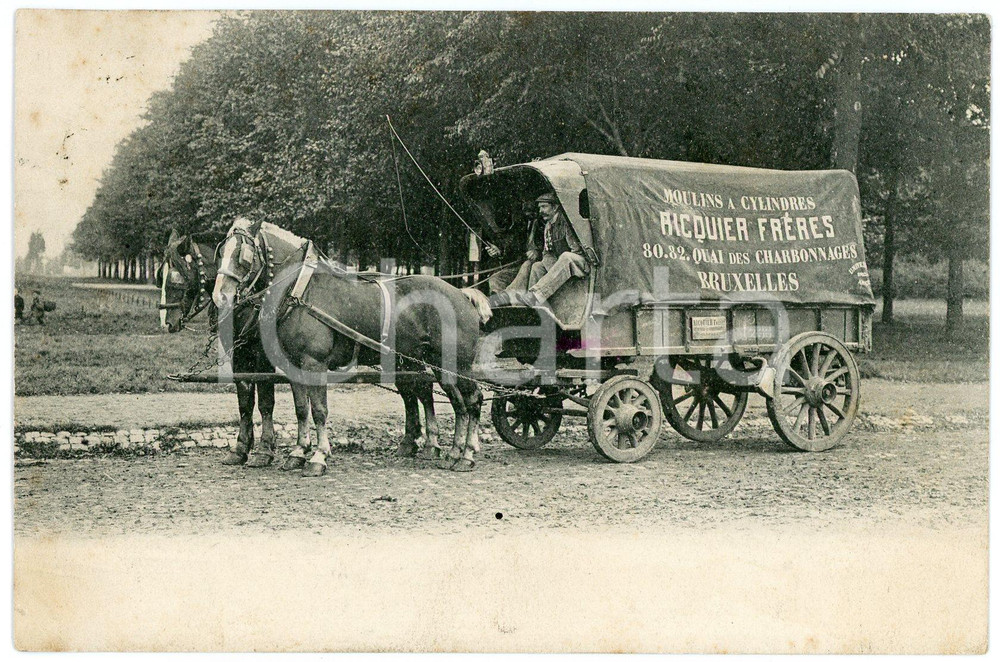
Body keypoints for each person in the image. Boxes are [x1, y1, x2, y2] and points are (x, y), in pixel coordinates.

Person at [493, 192, 589, 307]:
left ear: (555, 207)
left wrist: (556, 269)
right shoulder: (548, 226)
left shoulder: (566, 222)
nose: (540, 211)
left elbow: (577, 251)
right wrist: (551, 268)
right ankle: (531, 308)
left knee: (566, 256)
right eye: (539, 208)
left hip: (581, 263)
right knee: (537, 266)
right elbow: (547, 253)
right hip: (564, 263)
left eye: (544, 207)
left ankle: (535, 295)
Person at [485, 200, 540, 294]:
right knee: (495, 278)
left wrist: (537, 252)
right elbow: (511, 248)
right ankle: (499, 303)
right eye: (525, 210)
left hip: (536, 266)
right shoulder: (520, 227)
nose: (527, 213)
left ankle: (510, 297)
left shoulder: (543, 225)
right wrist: (499, 252)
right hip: (519, 266)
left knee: (526, 265)